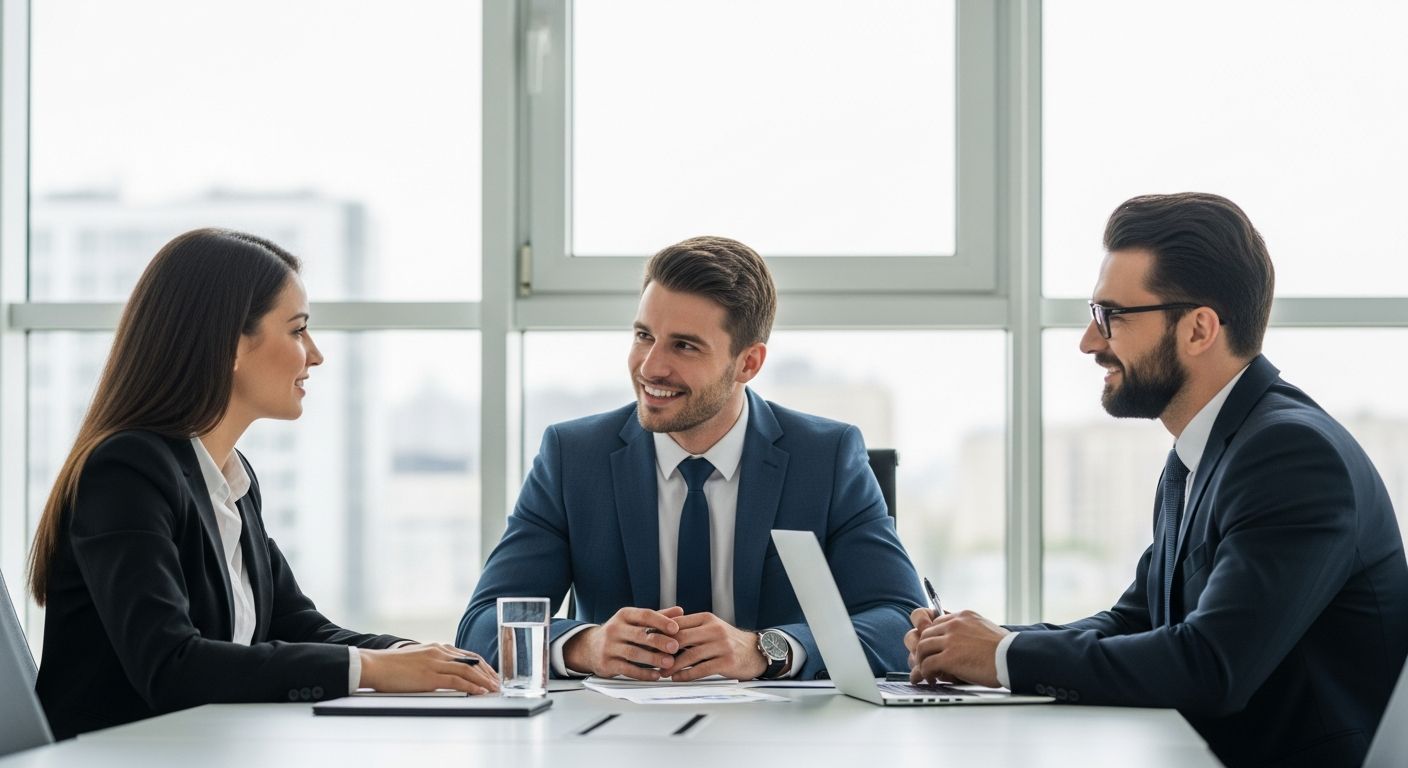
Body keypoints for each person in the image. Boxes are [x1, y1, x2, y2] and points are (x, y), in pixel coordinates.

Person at [905, 193, 1408, 766]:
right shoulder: (1199, 454)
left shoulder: (1290, 455)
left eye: (1111, 316)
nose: (1089, 341)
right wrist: (973, 643)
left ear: (1198, 329)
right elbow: (1137, 621)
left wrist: (1002, 657)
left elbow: (1211, 666)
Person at [30, 228, 499, 739]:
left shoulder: (231, 478)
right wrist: (372, 669)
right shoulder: (126, 471)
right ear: (231, 344)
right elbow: (170, 665)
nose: (314, 354)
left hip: (201, 749)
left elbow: (296, 625)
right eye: (298, 330)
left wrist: (408, 655)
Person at [458, 236, 923, 681]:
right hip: (612, 725)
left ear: (748, 363)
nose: (650, 367)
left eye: (684, 345)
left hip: (783, 728)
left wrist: (766, 650)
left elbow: (900, 621)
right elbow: (481, 626)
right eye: (644, 336)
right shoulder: (573, 457)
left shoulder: (825, 458)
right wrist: (586, 645)